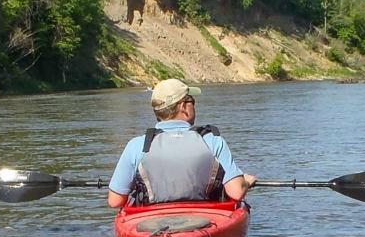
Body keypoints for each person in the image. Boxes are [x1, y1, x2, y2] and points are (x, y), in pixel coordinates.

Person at [107, 79, 256, 208]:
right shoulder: (213, 141)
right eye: (192, 101)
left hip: (152, 222)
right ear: (183, 106)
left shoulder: (137, 145)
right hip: (205, 218)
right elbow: (236, 192)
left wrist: (137, 184)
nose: (194, 106)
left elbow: (115, 201)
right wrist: (246, 182)